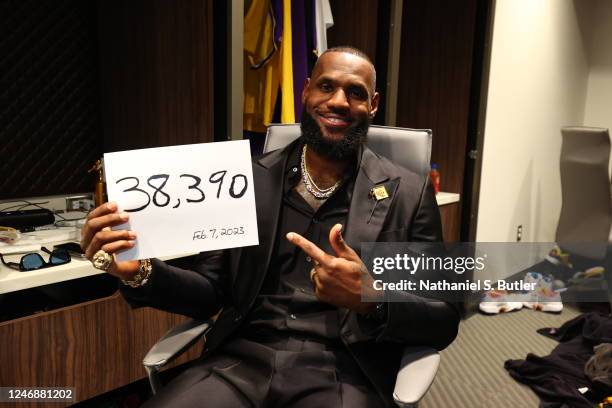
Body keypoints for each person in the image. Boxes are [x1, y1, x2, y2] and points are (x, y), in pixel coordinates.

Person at [80, 46, 460, 407]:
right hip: (241, 363)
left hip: (343, 370)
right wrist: (139, 274)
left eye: (355, 92)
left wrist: (370, 297)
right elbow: (211, 291)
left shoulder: (407, 193)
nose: (339, 101)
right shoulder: (245, 181)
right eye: (326, 86)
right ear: (306, 92)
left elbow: (441, 316)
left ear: (372, 105)